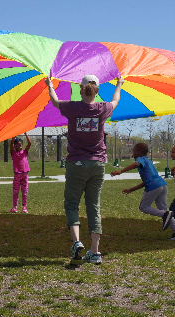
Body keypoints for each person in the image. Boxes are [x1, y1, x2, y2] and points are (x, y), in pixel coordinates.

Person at [45, 74, 124, 265]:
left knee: (72, 204)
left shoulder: (72, 107)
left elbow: (55, 102)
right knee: (93, 206)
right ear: (97, 91)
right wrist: (119, 84)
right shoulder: (103, 108)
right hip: (98, 164)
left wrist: (49, 85)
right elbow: (115, 100)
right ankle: (95, 252)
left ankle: (77, 242)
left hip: (76, 164)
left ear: (81, 89)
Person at [111, 143, 175, 241]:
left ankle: (165, 216)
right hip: (162, 184)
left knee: (143, 207)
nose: (133, 154)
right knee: (164, 210)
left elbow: (136, 164)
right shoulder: (149, 161)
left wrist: (120, 172)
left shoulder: (140, 159)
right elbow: (146, 181)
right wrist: (131, 189)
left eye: (133, 152)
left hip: (154, 186)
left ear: (138, 152)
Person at [10, 133, 31, 213]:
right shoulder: (13, 153)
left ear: (22, 145)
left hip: (24, 174)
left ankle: (24, 207)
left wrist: (25, 133)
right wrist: (14, 134)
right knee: (15, 191)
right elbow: (11, 143)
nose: (18, 147)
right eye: (16, 145)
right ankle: (14, 207)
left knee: (24, 191)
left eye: (20, 145)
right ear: (15, 146)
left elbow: (29, 143)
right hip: (17, 174)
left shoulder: (25, 152)